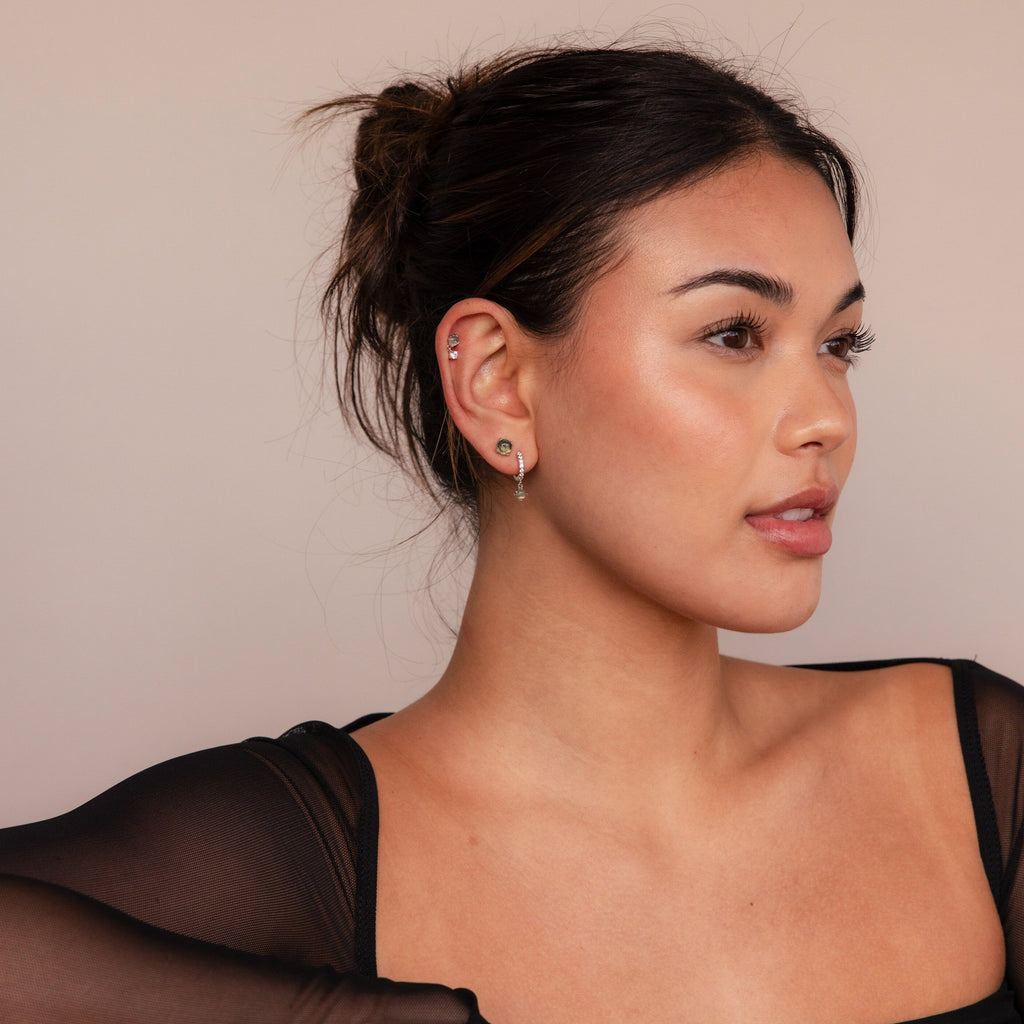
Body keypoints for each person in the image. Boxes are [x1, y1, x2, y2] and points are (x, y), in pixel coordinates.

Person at [2, 41, 1022, 1024]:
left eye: (839, 344)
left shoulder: (977, 766)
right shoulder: (291, 853)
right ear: (497, 381)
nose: (828, 418)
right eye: (732, 334)